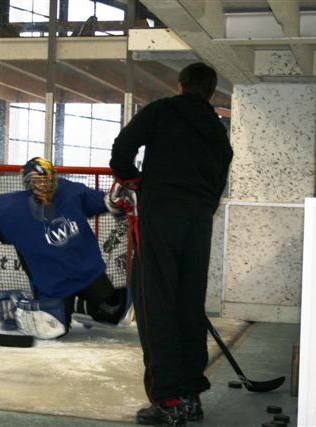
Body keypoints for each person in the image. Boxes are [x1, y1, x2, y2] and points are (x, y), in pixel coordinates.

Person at [109, 62, 233, 426]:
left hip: (162, 217)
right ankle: (191, 394)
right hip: (198, 222)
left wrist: (134, 180)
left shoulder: (162, 110)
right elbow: (220, 173)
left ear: (180, 87)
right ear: (211, 93)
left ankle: (168, 398)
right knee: (189, 304)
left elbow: (123, 148)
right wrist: (202, 206)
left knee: (156, 304)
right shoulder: (216, 127)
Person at [0, 157, 133, 339]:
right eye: (38, 181)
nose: (45, 186)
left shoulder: (69, 190)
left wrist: (115, 200)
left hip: (90, 275)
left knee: (118, 312)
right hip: (55, 285)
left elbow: (100, 201)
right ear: (27, 182)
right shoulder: (11, 208)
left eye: (48, 179)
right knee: (54, 328)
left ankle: (84, 306)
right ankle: (13, 305)